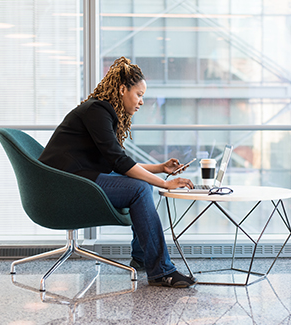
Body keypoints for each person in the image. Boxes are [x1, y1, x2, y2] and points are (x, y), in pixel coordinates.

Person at [38, 56, 197, 288]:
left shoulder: (100, 112)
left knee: (141, 184)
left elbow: (117, 162)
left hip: (73, 179)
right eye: (139, 94)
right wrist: (164, 183)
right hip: (64, 185)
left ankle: (143, 258)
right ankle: (161, 270)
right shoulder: (98, 110)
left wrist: (160, 169)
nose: (142, 101)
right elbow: (120, 162)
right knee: (141, 188)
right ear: (123, 89)